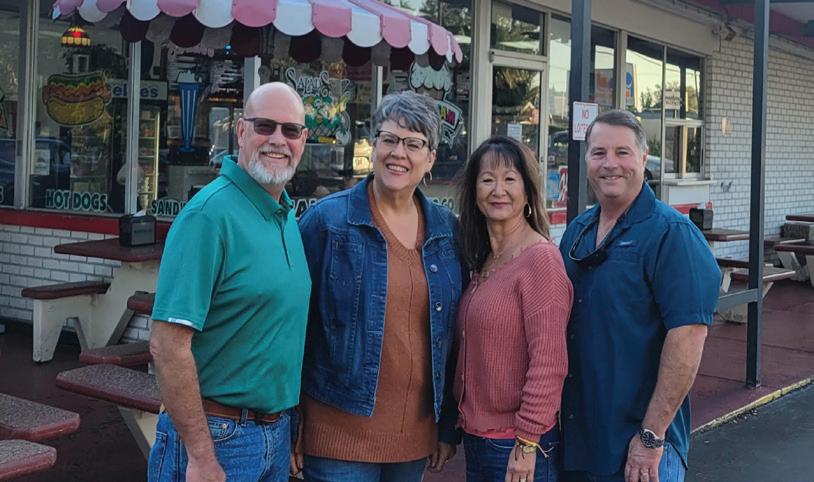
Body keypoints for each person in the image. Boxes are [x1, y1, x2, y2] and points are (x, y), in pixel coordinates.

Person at [295, 90, 464, 482]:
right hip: (337, 438)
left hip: (413, 440)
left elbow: (454, 339)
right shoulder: (327, 222)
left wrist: (446, 426)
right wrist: (291, 420)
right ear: (373, 146)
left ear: (430, 158)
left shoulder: (446, 232)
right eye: (389, 139)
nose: (398, 153)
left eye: (413, 144)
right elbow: (291, 327)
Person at [148, 82, 311, 482]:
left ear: (303, 140)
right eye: (265, 126)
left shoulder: (284, 214)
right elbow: (168, 345)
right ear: (240, 130)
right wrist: (201, 456)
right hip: (217, 438)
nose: (278, 140)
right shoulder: (208, 215)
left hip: (274, 433)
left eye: (290, 130)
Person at [558, 110, 720, 482]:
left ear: (644, 159)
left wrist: (651, 435)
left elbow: (689, 336)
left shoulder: (672, 234)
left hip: (641, 449)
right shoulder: (577, 232)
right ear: (586, 161)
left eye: (622, 152)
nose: (610, 164)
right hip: (581, 440)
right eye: (599, 153)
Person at [454, 136, 573, 482]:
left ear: (527, 191)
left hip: (517, 446)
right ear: (474, 191)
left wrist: (526, 443)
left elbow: (549, 362)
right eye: (487, 179)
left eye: (509, 179)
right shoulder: (485, 259)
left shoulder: (540, 260)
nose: (498, 190)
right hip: (478, 439)